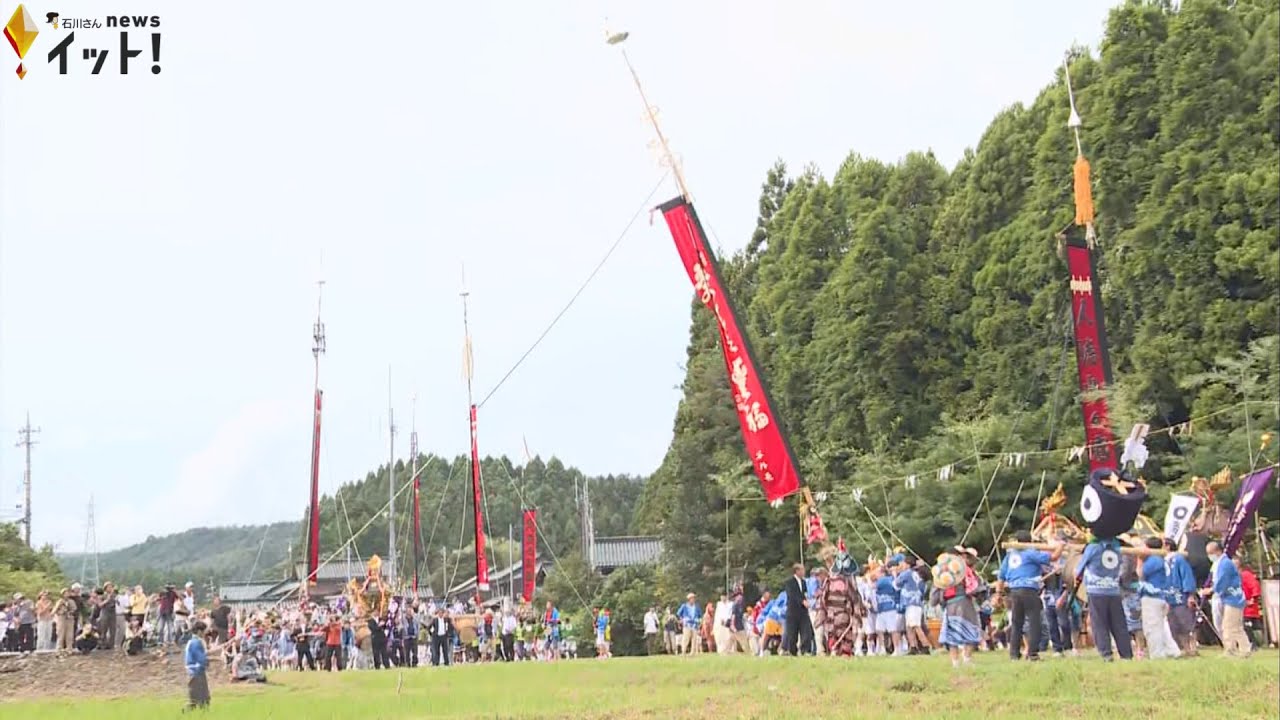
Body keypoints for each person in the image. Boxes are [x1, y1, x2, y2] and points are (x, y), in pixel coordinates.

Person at [997, 532, 1063, 661]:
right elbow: (1054, 557)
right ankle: (1032, 653)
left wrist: (999, 593)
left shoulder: (1010, 555)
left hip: (1014, 591)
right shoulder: (1030, 553)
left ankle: (1014, 654)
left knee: (1017, 623)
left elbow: (1001, 576)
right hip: (1029, 590)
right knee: (1034, 622)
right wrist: (1060, 546)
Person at [1075, 536, 1132, 661]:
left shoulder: (1092, 547)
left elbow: (1078, 569)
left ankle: (1106, 653)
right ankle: (1126, 654)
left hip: (1096, 590)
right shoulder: (1117, 548)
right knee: (1119, 624)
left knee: (1099, 623)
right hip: (1113, 590)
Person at [1199, 541, 1251, 658]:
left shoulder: (1225, 563)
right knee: (1235, 626)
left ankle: (1231, 650)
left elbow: (1221, 581)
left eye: (1210, 553)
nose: (1209, 555)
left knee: (1229, 626)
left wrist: (1211, 590)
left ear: (1217, 551)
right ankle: (1244, 649)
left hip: (1233, 598)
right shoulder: (1219, 563)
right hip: (1232, 597)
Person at [1136, 537, 1180, 659]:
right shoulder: (1161, 559)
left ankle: (1157, 655)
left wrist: (1139, 560)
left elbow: (1140, 574)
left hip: (1153, 597)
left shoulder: (1154, 560)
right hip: (1161, 596)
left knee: (1152, 627)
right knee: (1161, 627)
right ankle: (1171, 651)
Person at [782, 563, 814, 656]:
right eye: (802, 570)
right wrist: (802, 601)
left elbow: (804, 593)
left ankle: (805, 650)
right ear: (797, 571)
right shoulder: (789, 582)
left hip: (803, 611)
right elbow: (792, 595)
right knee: (792, 632)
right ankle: (792, 651)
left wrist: (806, 600)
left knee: (806, 630)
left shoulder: (804, 582)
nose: (804, 572)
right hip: (793, 611)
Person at [184, 620, 213, 710]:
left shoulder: (192, 641)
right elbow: (201, 659)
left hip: (194, 672)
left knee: (198, 699)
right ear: (200, 631)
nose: (206, 633)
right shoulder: (196, 643)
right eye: (205, 631)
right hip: (196, 673)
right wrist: (216, 659)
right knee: (198, 700)